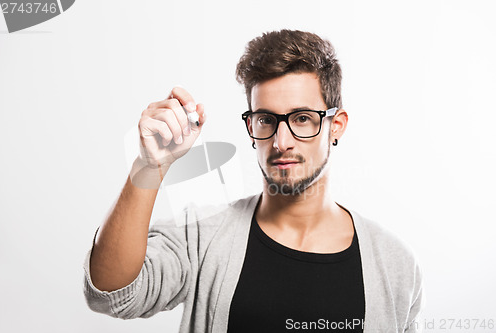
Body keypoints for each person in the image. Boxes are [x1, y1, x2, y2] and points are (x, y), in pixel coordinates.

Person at [83, 29, 424, 332]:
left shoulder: (395, 265)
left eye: (302, 119)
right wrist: (148, 166)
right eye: (266, 119)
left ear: (336, 126)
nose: (281, 141)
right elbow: (111, 294)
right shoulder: (201, 236)